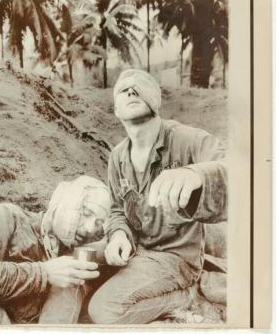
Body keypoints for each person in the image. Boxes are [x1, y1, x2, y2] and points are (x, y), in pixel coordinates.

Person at [88, 69, 227, 324]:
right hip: (138, 252)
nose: (130, 91)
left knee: (104, 310)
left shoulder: (186, 139)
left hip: (176, 258)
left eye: (139, 87)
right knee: (80, 265)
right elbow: (118, 208)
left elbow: (239, 167)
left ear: (156, 100)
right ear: (116, 110)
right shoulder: (117, 157)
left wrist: (196, 174)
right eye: (123, 90)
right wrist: (119, 235)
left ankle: (184, 294)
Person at [0, 175, 110, 325]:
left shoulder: (74, 259)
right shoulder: (8, 217)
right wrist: (45, 273)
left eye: (98, 223)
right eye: (87, 213)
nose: (90, 228)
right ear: (65, 199)